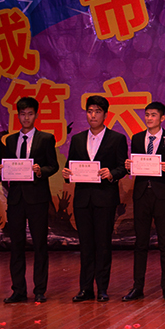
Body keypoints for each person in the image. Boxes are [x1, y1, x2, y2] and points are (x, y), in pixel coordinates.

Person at [62, 95, 128, 302]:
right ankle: (85, 289)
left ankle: (102, 288)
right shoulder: (78, 139)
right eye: (90, 111)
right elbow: (70, 165)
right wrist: (66, 174)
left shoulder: (116, 138)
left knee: (103, 244)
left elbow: (122, 167)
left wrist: (112, 173)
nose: (93, 115)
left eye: (97, 112)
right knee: (86, 245)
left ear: (105, 115)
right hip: (83, 200)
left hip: (105, 199)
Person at [0, 97, 58, 303]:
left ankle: (40, 289)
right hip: (16, 198)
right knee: (16, 245)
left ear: (36, 115)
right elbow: (8, 165)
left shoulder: (46, 138)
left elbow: (54, 166)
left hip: (37, 197)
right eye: (22, 114)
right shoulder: (10, 140)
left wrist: (40, 171)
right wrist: (2, 169)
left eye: (30, 114)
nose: (26, 118)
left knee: (40, 244)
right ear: (18, 116)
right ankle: (18, 290)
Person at [123, 101, 165, 302]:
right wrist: (129, 165)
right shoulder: (137, 138)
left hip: (162, 195)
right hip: (141, 194)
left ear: (162, 118)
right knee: (140, 242)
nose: (149, 118)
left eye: (153, 115)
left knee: (164, 242)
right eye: (147, 114)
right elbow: (135, 164)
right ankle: (137, 286)